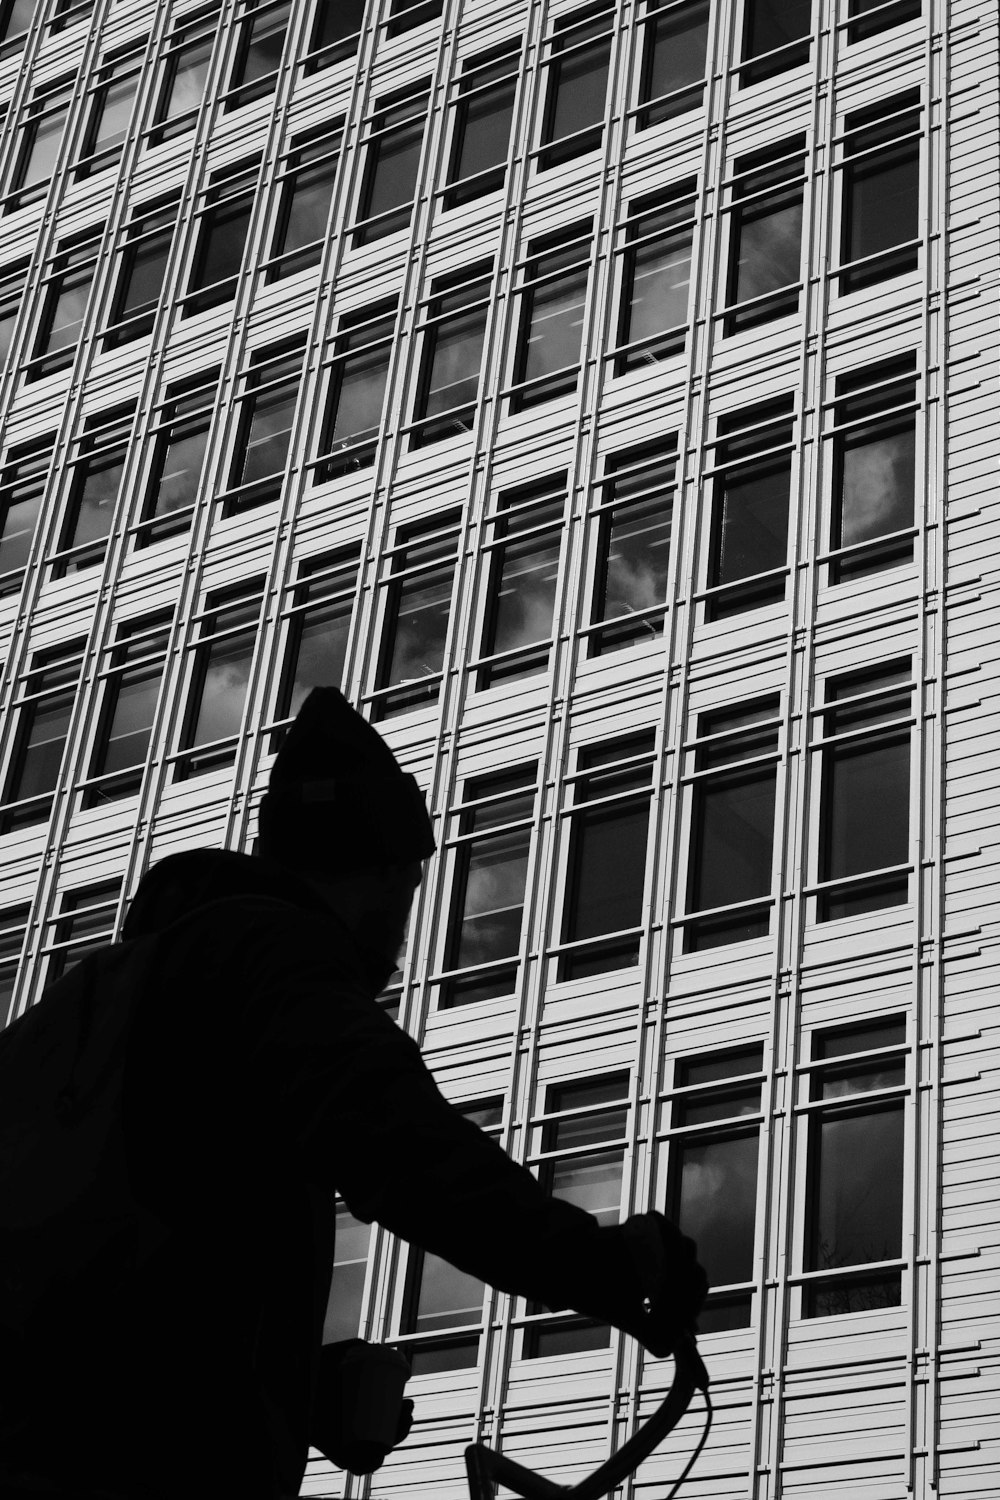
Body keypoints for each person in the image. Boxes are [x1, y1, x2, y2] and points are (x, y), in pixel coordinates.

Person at [0, 688, 707, 1500]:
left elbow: (113, 1285)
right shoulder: (269, 954)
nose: (403, 934)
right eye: (405, 892)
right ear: (371, 872)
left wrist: (299, 1389)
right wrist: (606, 1266)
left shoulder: (89, 1003)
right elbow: (399, 1142)